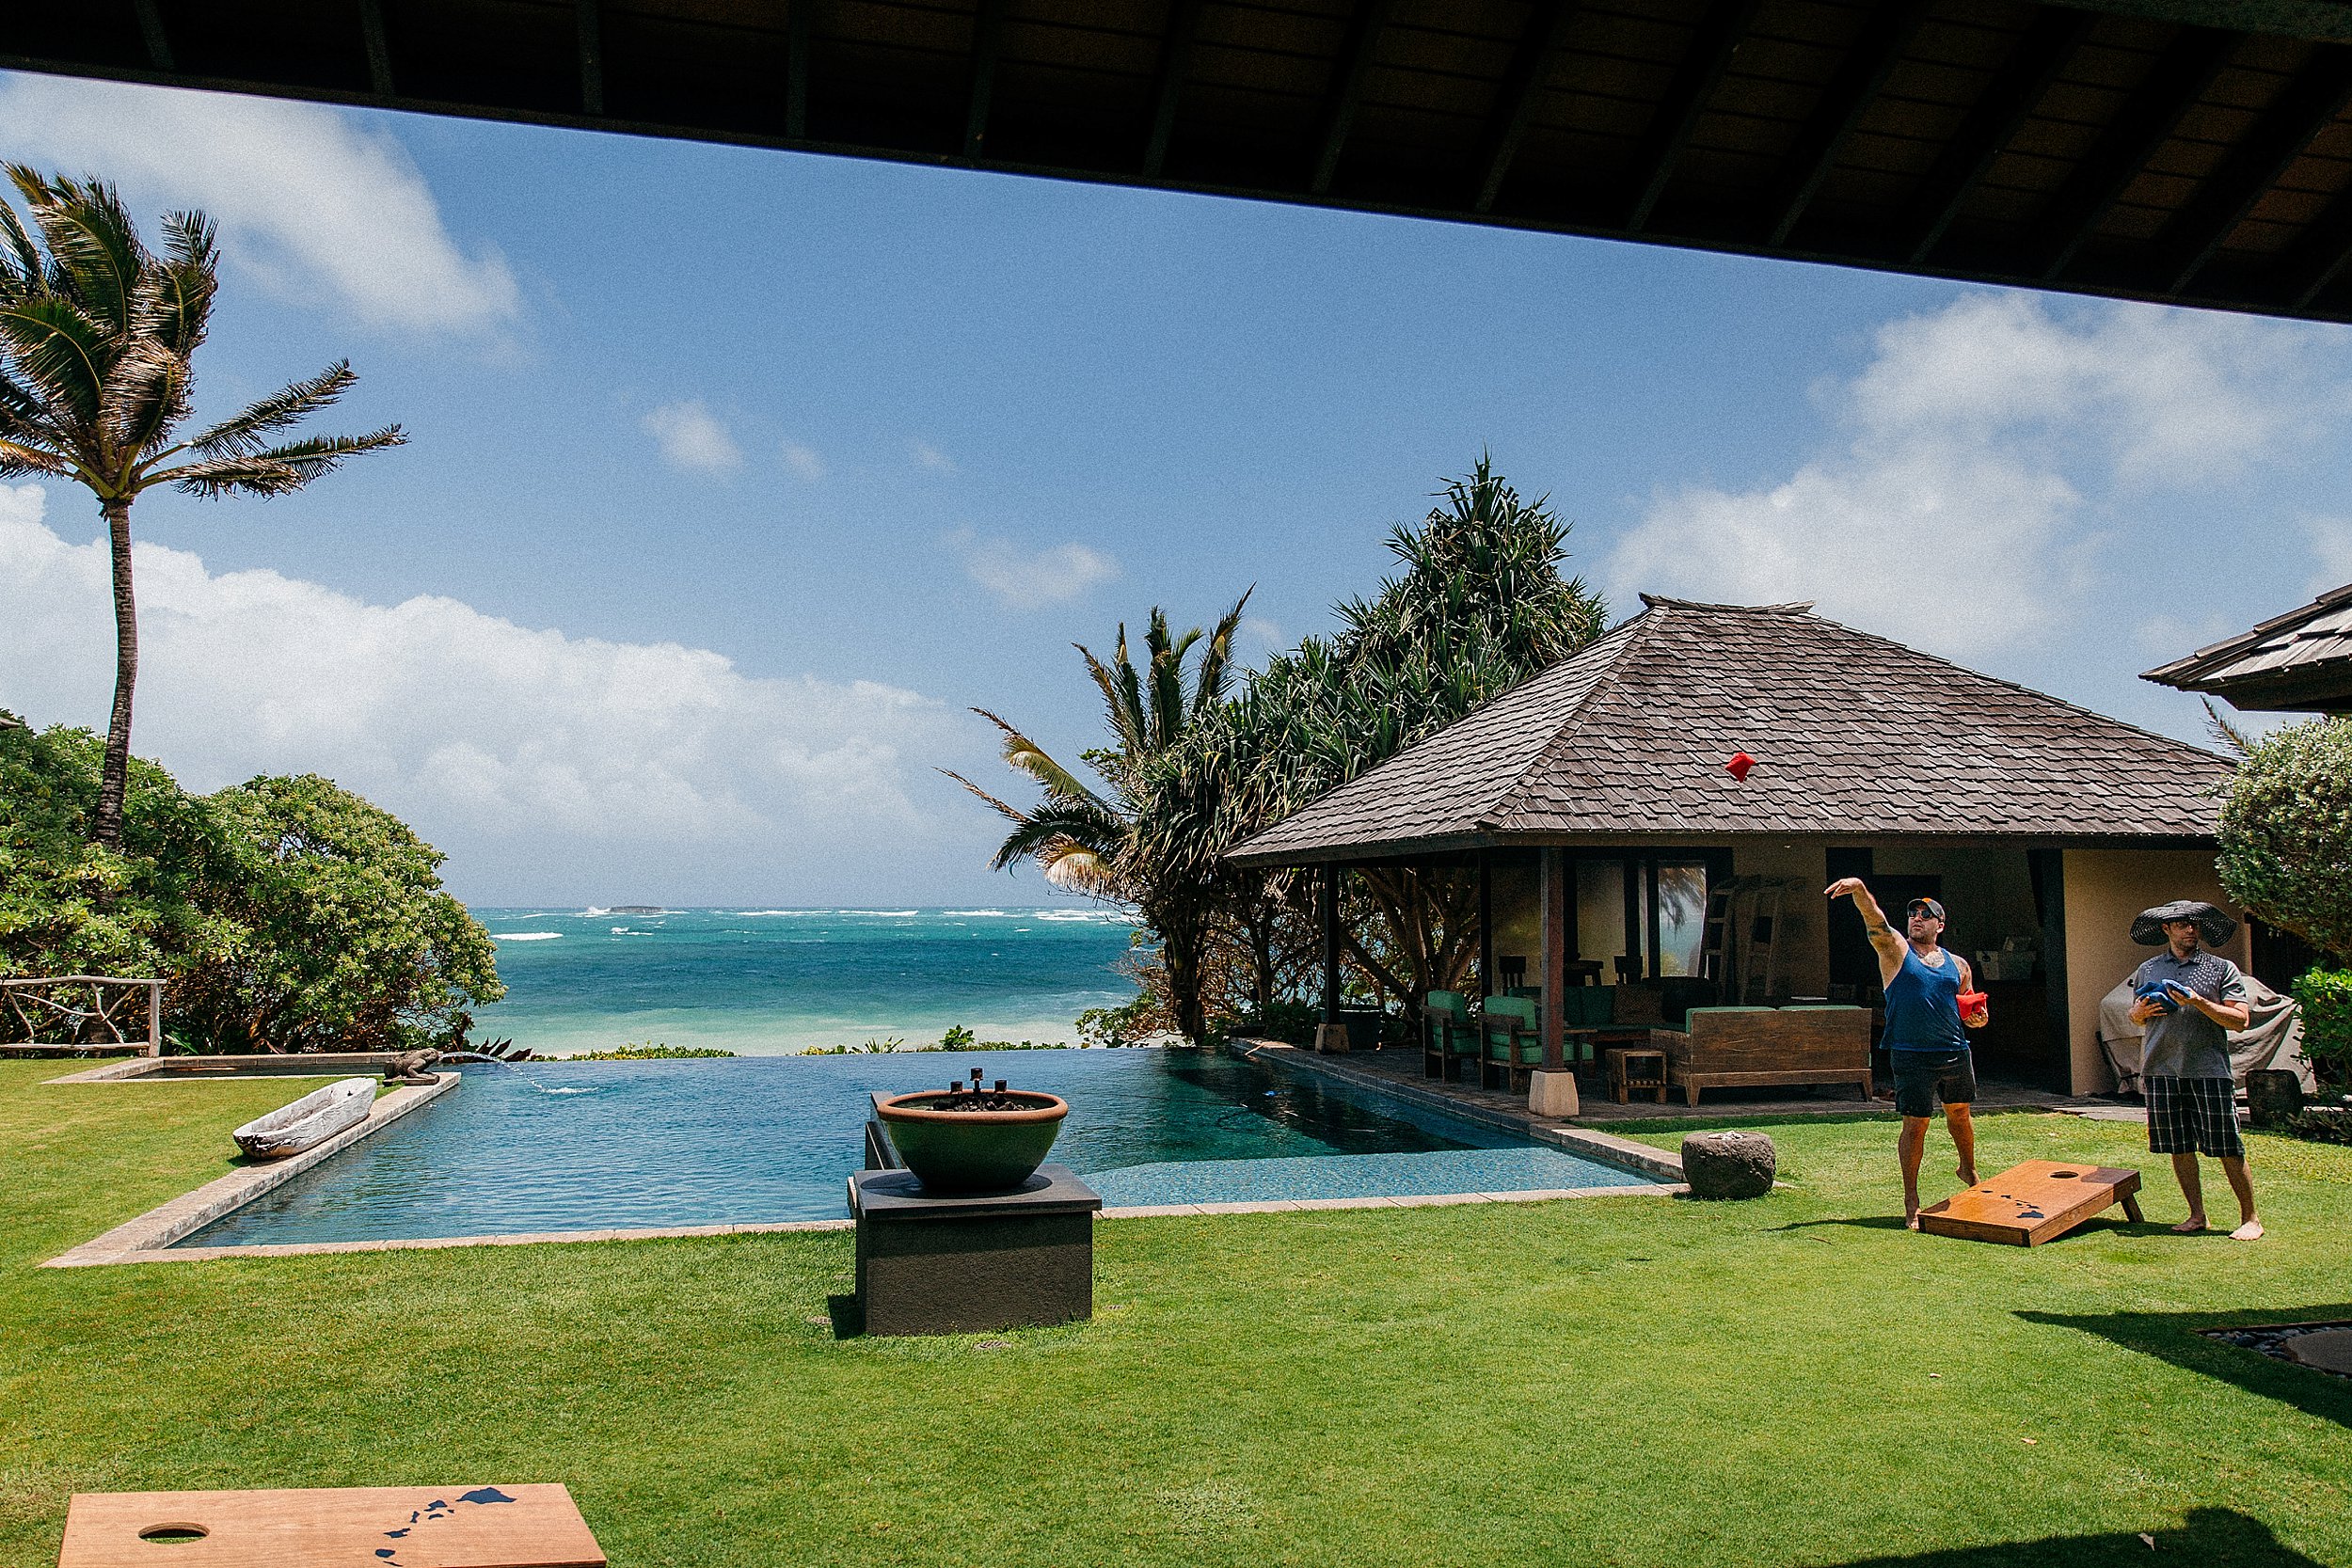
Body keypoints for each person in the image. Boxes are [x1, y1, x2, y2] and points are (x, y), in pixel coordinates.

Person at [1826, 879, 1987, 1228]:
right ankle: (1911, 1199)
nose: (1917, 918)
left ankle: (1969, 1170)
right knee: (1916, 1125)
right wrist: (1859, 890)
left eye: (1926, 915)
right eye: (1913, 913)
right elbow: (1877, 923)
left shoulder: (1958, 965)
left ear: (1939, 926)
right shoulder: (1896, 950)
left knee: (1960, 1115)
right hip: (1911, 1052)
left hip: (1954, 1050)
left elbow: (1969, 1010)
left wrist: (1978, 1019)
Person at [2126, 900, 2260, 1240]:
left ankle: (2251, 1219)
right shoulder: (2148, 969)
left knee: (2227, 1144)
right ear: (2166, 929)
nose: (2191, 930)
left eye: (2195, 925)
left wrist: (2198, 1002)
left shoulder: (2221, 968)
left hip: (2208, 1069)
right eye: (2183, 924)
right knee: (2178, 1145)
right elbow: (2134, 1016)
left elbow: (2241, 1020)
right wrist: (2140, 1013)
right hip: (2160, 1068)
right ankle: (2197, 1215)